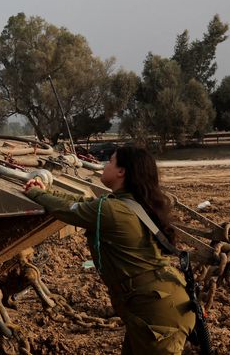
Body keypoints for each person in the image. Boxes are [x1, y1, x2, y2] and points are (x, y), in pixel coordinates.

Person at [24, 146, 195, 354]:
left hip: (157, 315)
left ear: (121, 172)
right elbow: (82, 202)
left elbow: (68, 210)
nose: (105, 165)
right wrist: (46, 191)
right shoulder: (128, 203)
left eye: (110, 161)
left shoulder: (112, 210)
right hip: (159, 305)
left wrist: (35, 193)